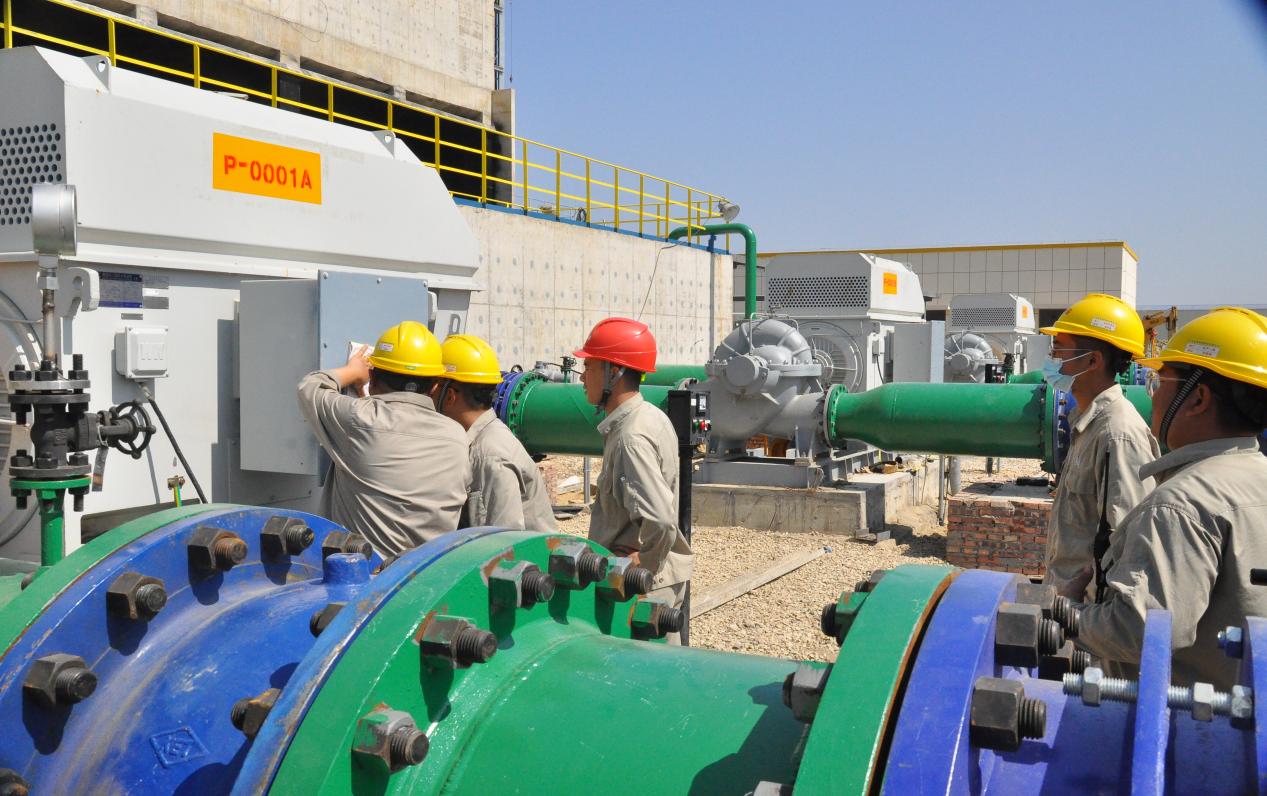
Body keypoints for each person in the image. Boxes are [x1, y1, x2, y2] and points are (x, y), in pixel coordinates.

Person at [1062, 307, 1267, 688]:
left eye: (1160, 382)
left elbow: (1138, 631)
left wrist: (1066, 613)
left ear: (1198, 398)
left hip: (1184, 719)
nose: (1153, 396)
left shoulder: (1180, 505)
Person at [297, 320, 470, 556]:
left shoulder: (359, 419)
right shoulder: (457, 436)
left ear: (373, 377)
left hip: (365, 572)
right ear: (434, 387)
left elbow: (310, 387)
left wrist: (352, 371)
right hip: (428, 571)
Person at [574, 317, 693, 641]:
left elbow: (661, 521)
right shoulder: (651, 417)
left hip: (644, 588)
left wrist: (641, 567)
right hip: (659, 581)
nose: (582, 376)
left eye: (589, 366)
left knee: (647, 669)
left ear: (613, 372)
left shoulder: (631, 437)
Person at [1038, 293, 1160, 600]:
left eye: (1058, 350)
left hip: (1087, 614)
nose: (1052, 359)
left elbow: (1129, 548)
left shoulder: (1119, 435)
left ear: (1092, 361)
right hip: (1067, 606)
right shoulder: (1089, 424)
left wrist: (1087, 611)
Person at [436, 333, 558, 532]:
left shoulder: (489, 456)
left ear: (449, 396)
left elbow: (502, 543)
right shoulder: (484, 440)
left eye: (433, 387)